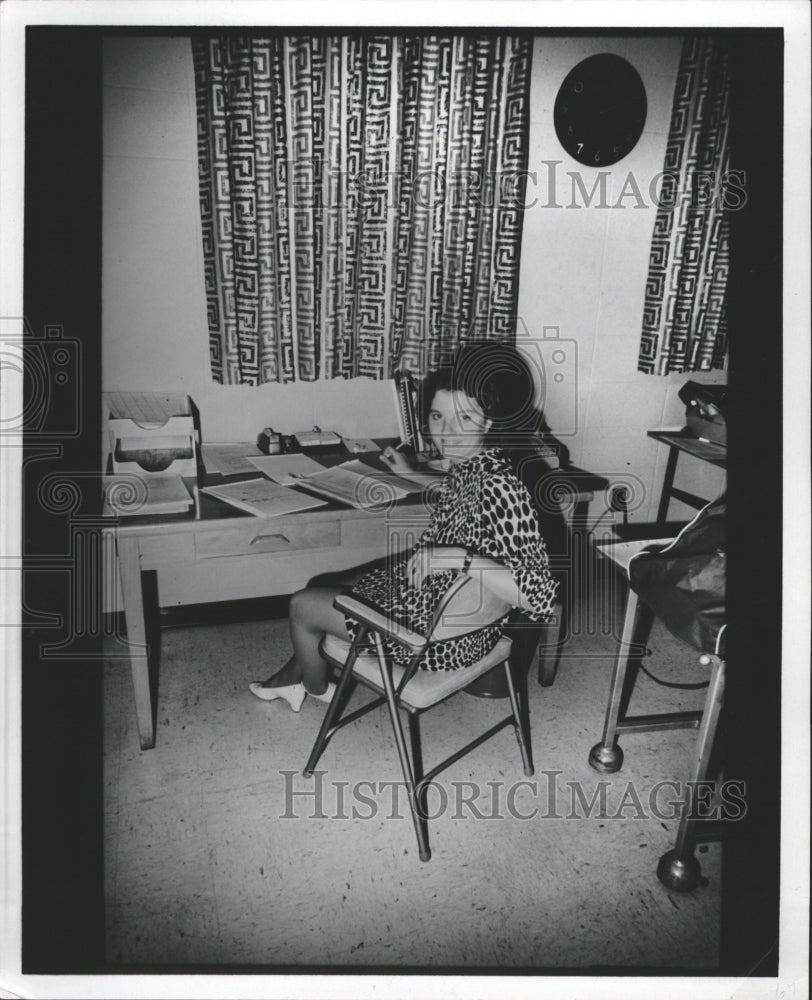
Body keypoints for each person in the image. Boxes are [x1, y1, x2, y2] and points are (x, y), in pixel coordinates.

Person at [248, 341, 559, 711]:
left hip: (436, 639)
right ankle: (291, 677)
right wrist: (411, 473)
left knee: (302, 605)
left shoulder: (502, 488)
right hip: (434, 603)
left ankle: (316, 690)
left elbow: (539, 594)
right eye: (437, 417)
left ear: (490, 422)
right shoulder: (481, 461)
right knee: (323, 589)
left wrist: (458, 558)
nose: (445, 434)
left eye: (465, 419)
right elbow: (457, 491)